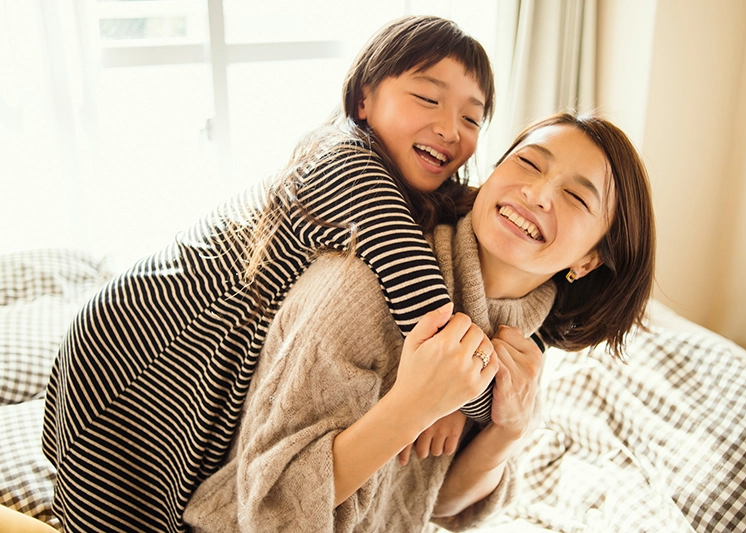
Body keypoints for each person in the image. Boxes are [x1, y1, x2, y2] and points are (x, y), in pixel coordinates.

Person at [42, 15, 495, 533]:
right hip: (143, 352)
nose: (450, 128)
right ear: (364, 99)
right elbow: (434, 323)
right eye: (428, 99)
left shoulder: (402, 184)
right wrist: (466, 400)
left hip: (200, 354)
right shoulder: (350, 166)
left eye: (472, 118)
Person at [182, 112, 656, 532]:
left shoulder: (522, 335)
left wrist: (508, 430)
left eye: (576, 196)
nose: (537, 192)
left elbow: (437, 505)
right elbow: (272, 511)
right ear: (491, 174)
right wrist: (417, 404)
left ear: (589, 260)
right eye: (528, 163)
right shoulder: (362, 285)